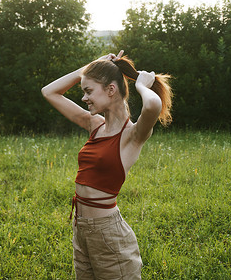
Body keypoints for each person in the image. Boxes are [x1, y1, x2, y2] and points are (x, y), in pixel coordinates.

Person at [41, 50, 172, 279]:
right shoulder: (95, 125)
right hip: (81, 229)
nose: (84, 98)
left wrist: (142, 85)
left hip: (109, 234)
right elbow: (49, 92)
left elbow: (152, 106)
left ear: (111, 90)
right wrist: (92, 66)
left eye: (88, 91)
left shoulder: (132, 135)